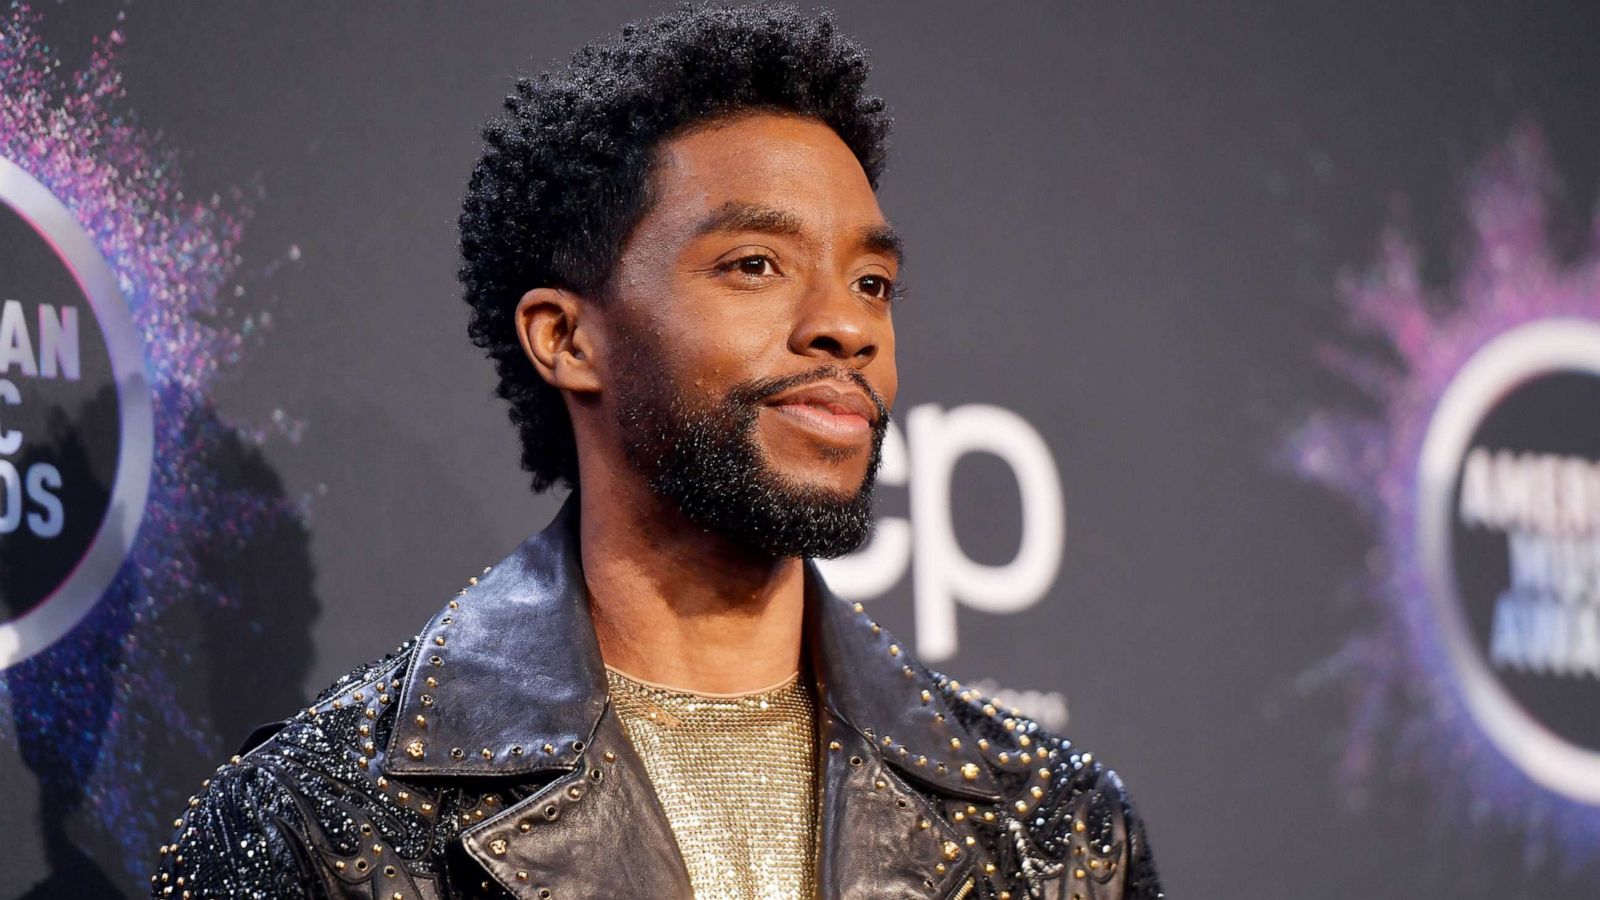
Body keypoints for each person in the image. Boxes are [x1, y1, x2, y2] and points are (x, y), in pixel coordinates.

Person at [150, 5, 1162, 898]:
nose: (846, 329)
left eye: (871, 284)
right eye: (754, 264)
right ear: (567, 338)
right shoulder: (329, 824)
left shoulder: (1054, 834)